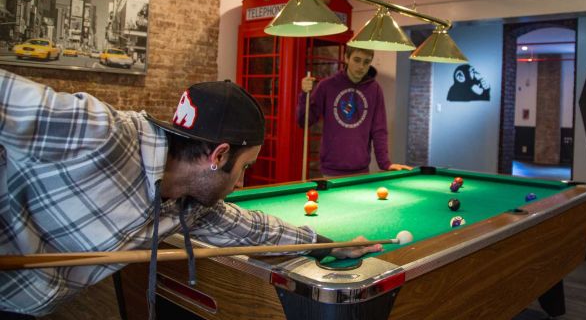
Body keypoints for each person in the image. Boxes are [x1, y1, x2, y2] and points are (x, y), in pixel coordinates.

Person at [0, 68, 381, 318]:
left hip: (25, 305)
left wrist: (325, 244)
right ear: (219, 156)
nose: (241, 183)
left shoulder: (190, 202)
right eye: (245, 168)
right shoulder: (103, 134)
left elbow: (253, 229)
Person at [298, 46, 412, 176]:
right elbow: (304, 121)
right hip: (331, 170)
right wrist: (304, 94)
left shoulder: (374, 89)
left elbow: (379, 130)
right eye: (357, 60)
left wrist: (385, 164)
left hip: (361, 170)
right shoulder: (326, 85)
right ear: (346, 58)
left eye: (366, 62)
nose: (361, 67)